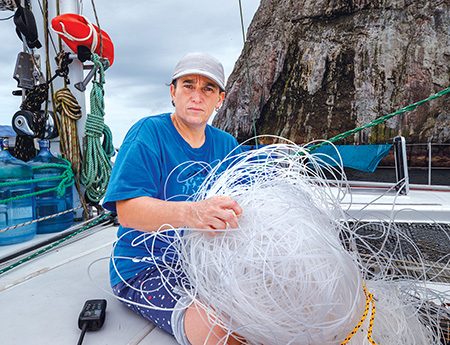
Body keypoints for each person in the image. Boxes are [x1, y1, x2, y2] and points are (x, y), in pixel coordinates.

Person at [103, 52, 244, 345]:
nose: (197, 96)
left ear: (220, 99)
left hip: (206, 264)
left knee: (272, 311)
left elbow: (242, 202)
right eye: (188, 85)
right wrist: (194, 213)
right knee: (221, 331)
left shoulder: (226, 144)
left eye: (208, 88)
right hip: (145, 267)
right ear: (173, 92)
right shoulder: (148, 133)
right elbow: (128, 211)